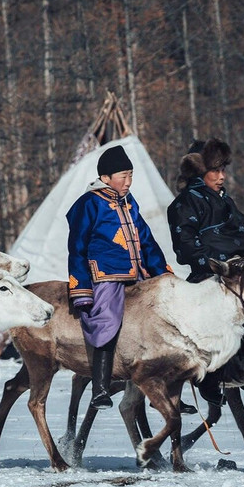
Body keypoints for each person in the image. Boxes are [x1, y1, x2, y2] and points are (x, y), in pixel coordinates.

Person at [167, 139, 244, 406]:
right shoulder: (184, 204)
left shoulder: (226, 201)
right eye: (215, 171)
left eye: (224, 170)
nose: (222, 176)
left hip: (242, 271)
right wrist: (220, 265)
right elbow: (185, 247)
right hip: (212, 275)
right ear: (199, 172)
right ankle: (209, 378)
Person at [67, 145, 172, 409]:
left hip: (137, 275)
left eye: (131, 176)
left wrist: (161, 274)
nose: (128, 182)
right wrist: (80, 287)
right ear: (105, 178)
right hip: (106, 276)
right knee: (107, 320)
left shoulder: (129, 202)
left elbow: (146, 239)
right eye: (123, 176)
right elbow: (76, 246)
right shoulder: (88, 203)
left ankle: (165, 386)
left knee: (161, 319)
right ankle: (100, 388)